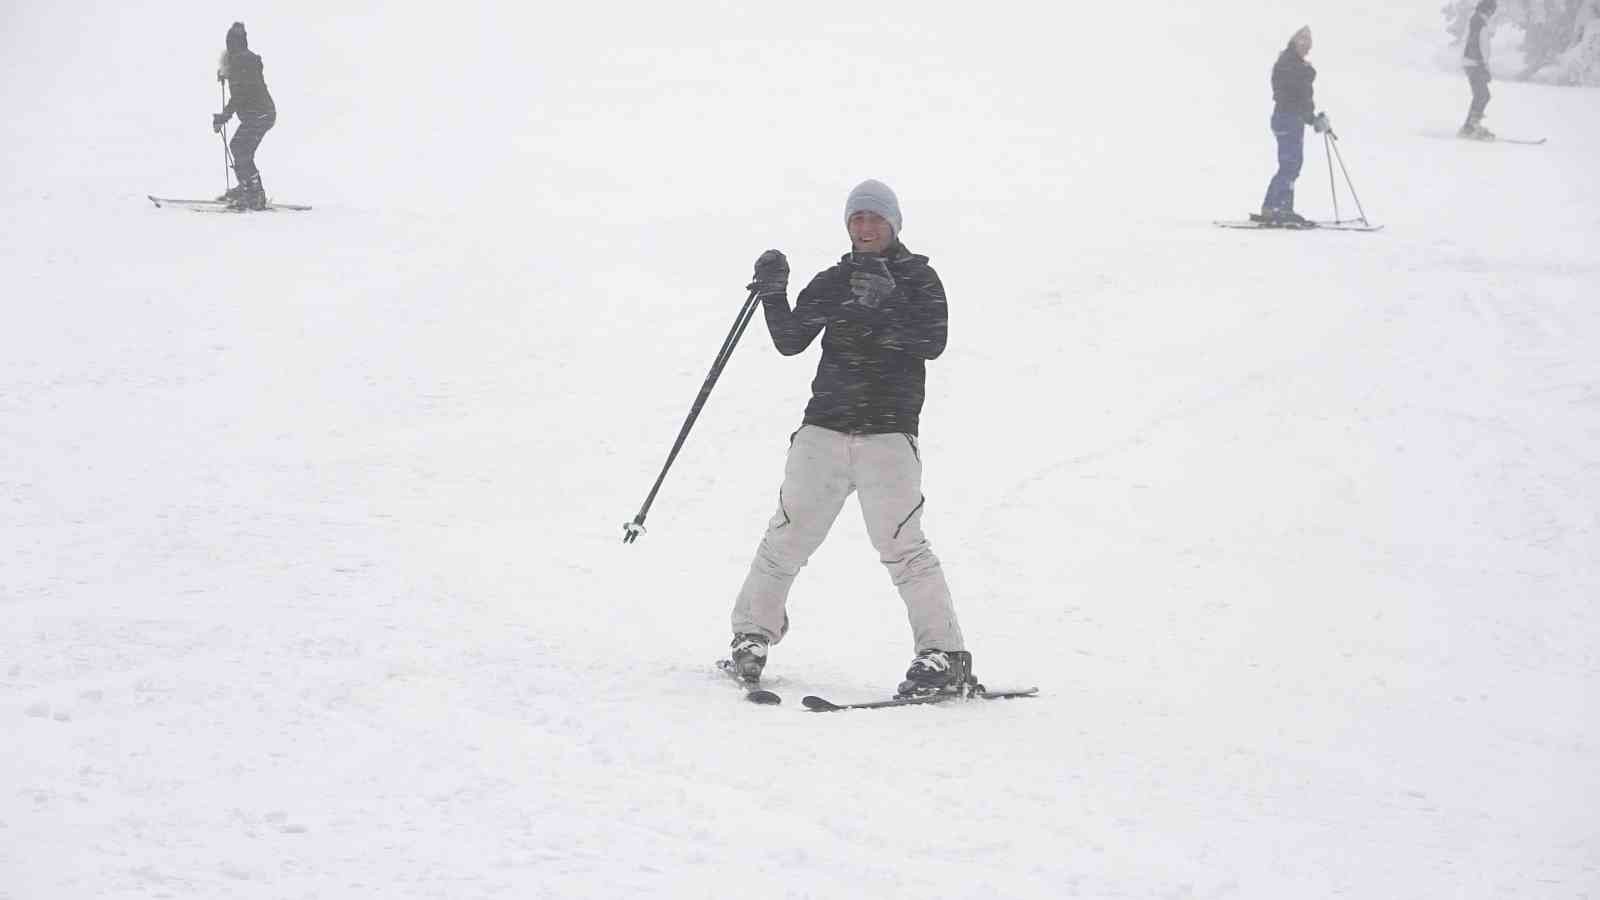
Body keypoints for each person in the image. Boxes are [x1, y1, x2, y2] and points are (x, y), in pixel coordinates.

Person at [727, 180, 971, 697]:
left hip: (888, 435)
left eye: (875, 218)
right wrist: (774, 293)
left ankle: (944, 655)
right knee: (786, 538)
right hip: (823, 429)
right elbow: (791, 340)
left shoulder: (919, 278)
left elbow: (932, 342)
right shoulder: (835, 280)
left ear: (894, 224)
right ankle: (751, 637)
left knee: (904, 548)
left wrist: (887, 305)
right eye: (856, 217)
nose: (864, 226)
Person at [1259, 26, 1332, 227]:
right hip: (1286, 118)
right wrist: (1310, 116)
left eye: (1308, 39)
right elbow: (1291, 96)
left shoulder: (1297, 64)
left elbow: (1299, 100)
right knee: (1290, 165)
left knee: (1292, 164)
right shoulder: (1289, 63)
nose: (1305, 42)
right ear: (1293, 40)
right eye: (1302, 38)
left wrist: (1313, 119)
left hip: (1291, 119)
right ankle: (1275, 208)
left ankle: (1280, 207)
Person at [212, 22, 276, 210]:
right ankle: (247, 187)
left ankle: (254, 195)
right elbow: (243, 89)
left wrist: (224, 116)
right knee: (239, 147)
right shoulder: (242, 61)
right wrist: (228, 74)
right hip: (260, 114)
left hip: (260, 114)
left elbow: (240, 96)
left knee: (241, 149)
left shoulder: (242, 62)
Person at [1459, 0, 1498, 139]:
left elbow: (1471, 43)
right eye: (1493, 11)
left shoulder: (1475, 21)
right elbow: (1481, 46)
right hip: (1475, 63)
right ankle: (1471, 126)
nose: (1493, 14)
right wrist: (1485, 67)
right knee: (1483, 95)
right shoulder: (1480, 23)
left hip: (1471, 63)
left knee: (1481, 95)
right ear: (1488, 10)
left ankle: (1469, 127)